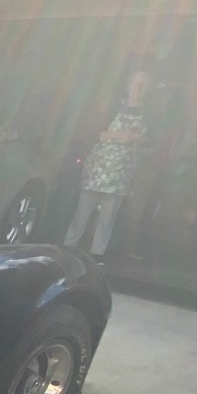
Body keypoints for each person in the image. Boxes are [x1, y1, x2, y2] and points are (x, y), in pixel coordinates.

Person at [65, 67, 152, 256]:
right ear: (128, 86)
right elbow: (99, 133)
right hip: (96, 172)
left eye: (144, 84)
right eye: (137, 83)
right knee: (81, 214)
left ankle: (96, 256)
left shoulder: (150, 115)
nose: (140, 88)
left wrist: (117, 136)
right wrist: (123, 136)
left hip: (120, 176)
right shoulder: (111, 108)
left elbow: (139, 139)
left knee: (107, 220)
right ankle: (67, 251)